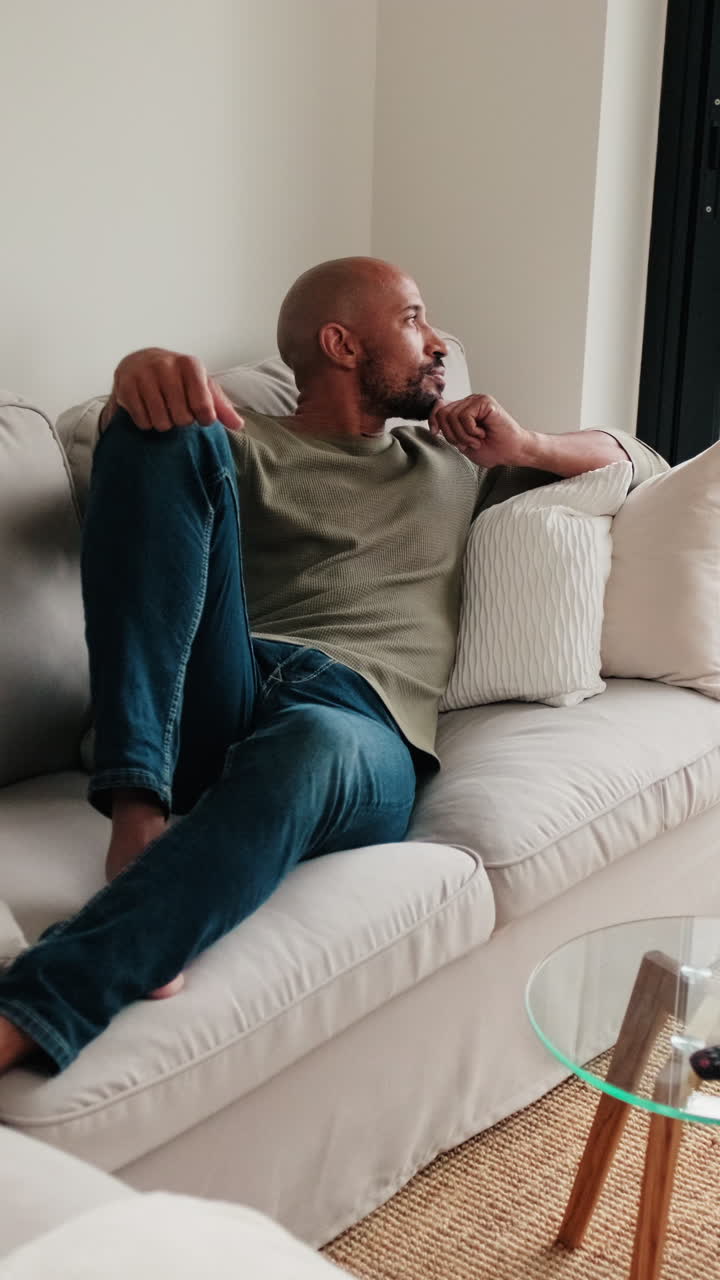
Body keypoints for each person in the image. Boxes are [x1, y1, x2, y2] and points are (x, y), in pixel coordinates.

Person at [0, 257, 665, 1077]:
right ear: (343, 344)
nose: (440, 344)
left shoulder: (452, 461)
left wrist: (527, 443)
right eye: (415, 320)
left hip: (356, 726)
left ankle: (43, 1001)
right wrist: (134, 388)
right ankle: (139, 807)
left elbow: (638, 461)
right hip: (227, 688)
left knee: (308, 747)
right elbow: (142, 492)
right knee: (156, 428)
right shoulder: (245, 443)